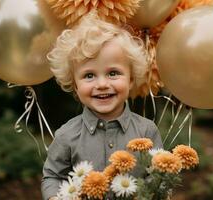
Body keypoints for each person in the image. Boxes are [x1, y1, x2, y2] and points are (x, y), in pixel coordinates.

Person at [41, 12, 163, 200]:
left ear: (131, 79)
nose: (102, 84)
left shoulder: (146, 131)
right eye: (89, 75)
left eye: (113, 73)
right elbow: (53, 176)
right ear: (75, 85)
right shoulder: (66, 136)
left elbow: (158, 176)